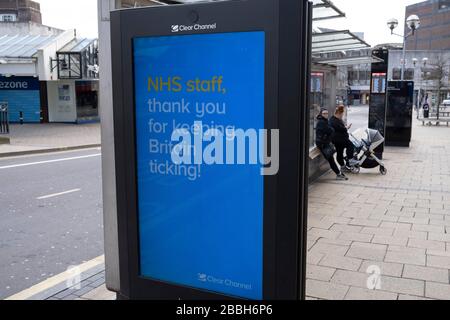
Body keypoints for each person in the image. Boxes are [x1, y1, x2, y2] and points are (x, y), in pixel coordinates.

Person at [315, 108, 348, 181]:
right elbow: (330, 130)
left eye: (326, 113)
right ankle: (338, 174)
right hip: (322, 144)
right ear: (321, 114)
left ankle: (338, 173)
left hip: (325, 143)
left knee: (331, 159)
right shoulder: (321, 122)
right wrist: (331, 130)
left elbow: (330, 130)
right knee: (331, 159)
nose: (326, 115)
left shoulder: (324, 121)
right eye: (324, 113)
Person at [329, 105, 354, 172]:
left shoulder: (335, 119)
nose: (342, 115)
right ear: (339, 113)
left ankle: (343, 166)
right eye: (342, 114)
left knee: (340, 153)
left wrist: (345, 127)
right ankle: (350, 160)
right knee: (351, 146)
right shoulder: (333, 121)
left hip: (338, 139)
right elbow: (341, 129)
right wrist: (346, 128)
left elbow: (340, 128)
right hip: (340, 139)